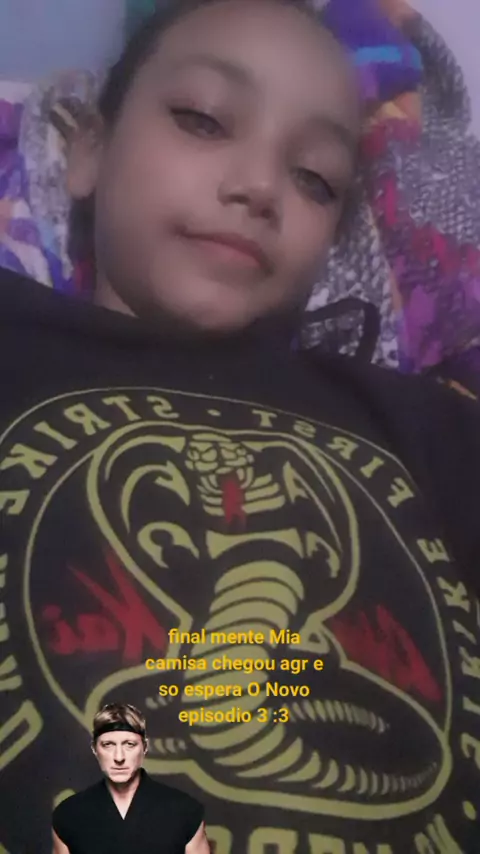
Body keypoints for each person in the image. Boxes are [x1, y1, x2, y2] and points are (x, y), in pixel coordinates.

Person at [0, 0, 479, 851]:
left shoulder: (414, 420)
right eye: (203, 118)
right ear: (88, 150)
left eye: (315, 178)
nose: (259, 187)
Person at [51, 703, 209, 853]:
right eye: (108, 745)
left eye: (129, 744)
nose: (119, 757)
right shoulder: (68, 814)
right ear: (94, 748)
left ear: (144, 747)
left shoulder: (185, 811)